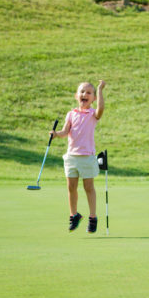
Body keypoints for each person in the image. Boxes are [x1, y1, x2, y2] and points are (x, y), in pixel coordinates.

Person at [50, 80, 106, 233]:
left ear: (93, 98)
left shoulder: (93, 114)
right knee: (71, 187)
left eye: (89, 93)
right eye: (82, 92)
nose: (84, 95)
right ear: (76, 96)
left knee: (88, 187)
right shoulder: (71, 114)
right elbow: (64, 132)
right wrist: (55, 135)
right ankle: (74, 215)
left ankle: (92, 217)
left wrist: (100, 89)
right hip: (71, 156)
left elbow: (101, 108)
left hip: (87, 157)